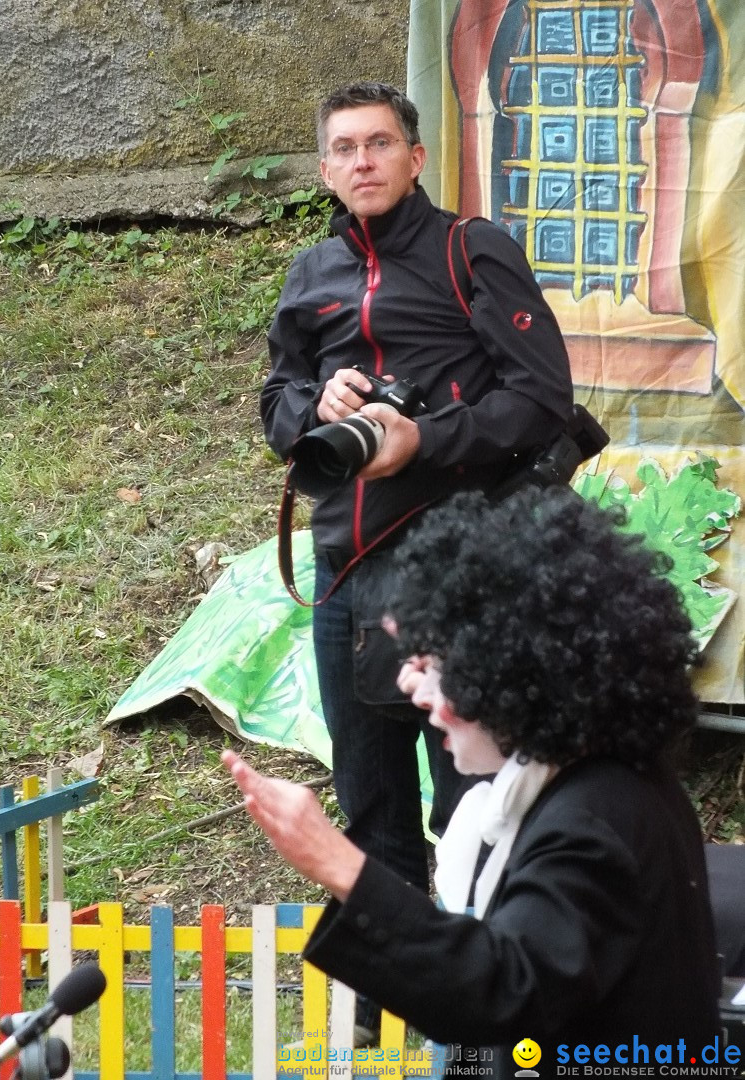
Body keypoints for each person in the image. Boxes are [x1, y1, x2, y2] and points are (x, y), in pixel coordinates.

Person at [260, 82, 574, 1039]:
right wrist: (319, 405)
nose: (362, 162)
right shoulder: (310, 272)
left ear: (416, 157)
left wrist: (421, 440)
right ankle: (387, 1007)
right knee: (370, 798)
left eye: (380, 144)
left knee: (472, 797)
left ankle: (489, 994)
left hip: (459, 568)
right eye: (344, 149)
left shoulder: (468, 250)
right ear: (325, 169)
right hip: (346, 570)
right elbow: (275, 404)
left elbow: (543, 400)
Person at [223, 487, 721, 1078]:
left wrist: (340, 865)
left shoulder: (590, 825)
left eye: (429, 664)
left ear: (512, 673)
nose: (409, 685)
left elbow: (505, 994)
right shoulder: (597, 785)